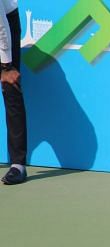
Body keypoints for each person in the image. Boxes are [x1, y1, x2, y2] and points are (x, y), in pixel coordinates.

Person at [0, 0, 27, 185]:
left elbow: (1, 28)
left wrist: (6, 66)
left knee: (10, 87)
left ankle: (18, 164)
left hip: (5, 25)